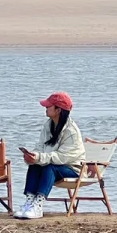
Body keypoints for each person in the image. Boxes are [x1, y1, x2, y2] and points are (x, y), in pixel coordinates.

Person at [15, 92, 85, 220]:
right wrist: (33, 156)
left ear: (58, 110)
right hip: (55, 164)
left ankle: (39, 205)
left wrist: (39, 158)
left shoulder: (71, 131)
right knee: (35, 165)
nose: (45, 108)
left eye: (48, 106)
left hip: (73, 169)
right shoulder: (48, 125)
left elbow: (62, 158)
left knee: (49, 168)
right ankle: (29, 202)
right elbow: (40, 147)